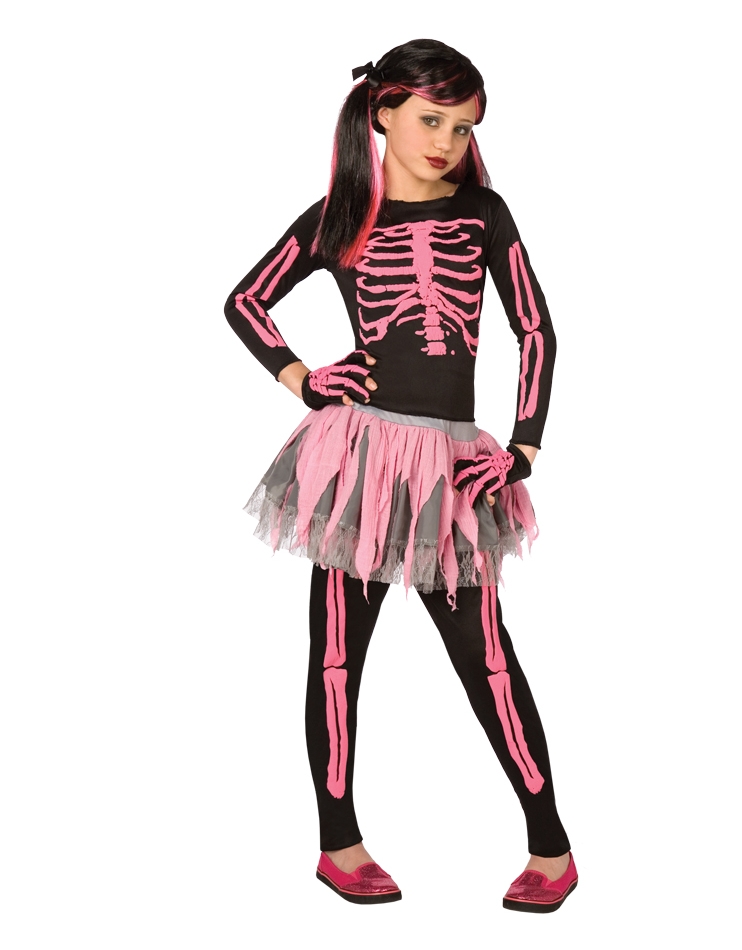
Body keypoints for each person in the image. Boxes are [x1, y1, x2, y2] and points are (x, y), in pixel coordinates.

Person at [224, 38, 577, 913]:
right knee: (336, 658)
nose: (446, 142)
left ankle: (552, 846)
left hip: (453, 468)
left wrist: (525, 447)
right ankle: (338, 844)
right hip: (360, 463)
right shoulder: (339, 216)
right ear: (381, 113)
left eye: (463, 127)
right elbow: (244, 300)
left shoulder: (484, 214)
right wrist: (304, 379)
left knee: (488, 660)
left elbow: (536, 328)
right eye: (430, 120)